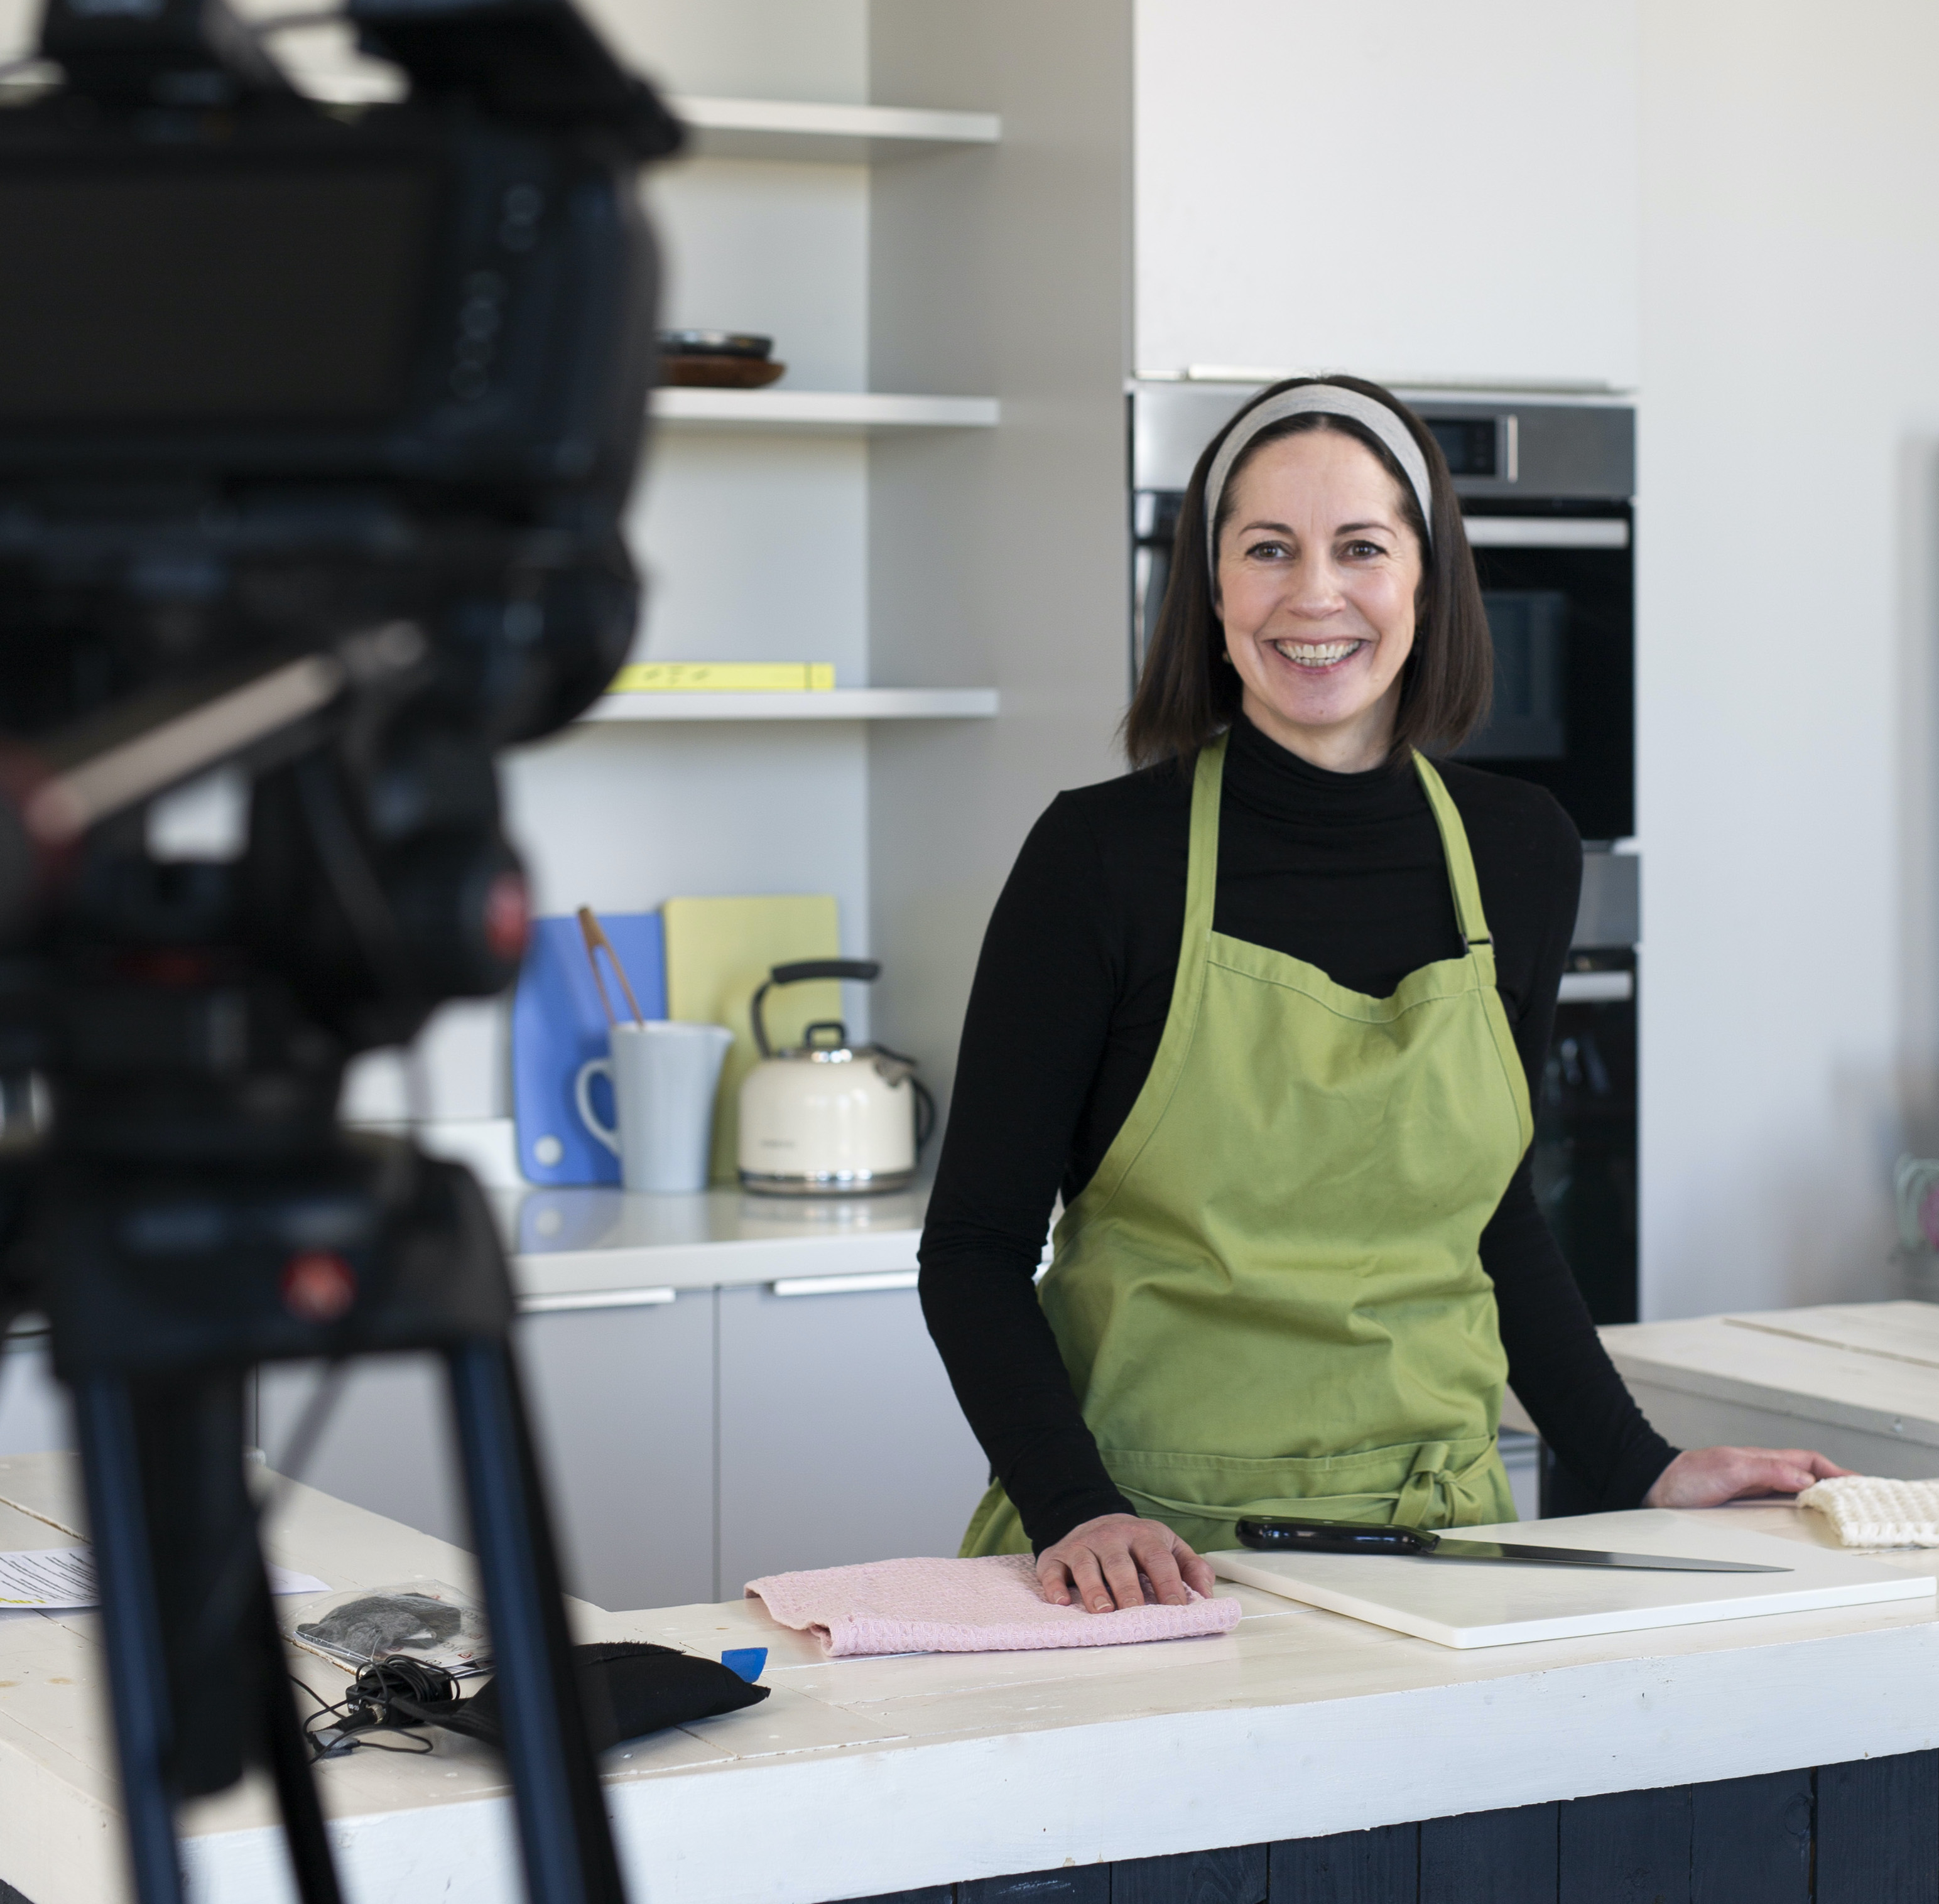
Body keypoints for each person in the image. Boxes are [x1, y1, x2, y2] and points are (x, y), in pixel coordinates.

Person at [917, 375, 1850, 1616]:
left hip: (1446, 1545)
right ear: (1209, 590)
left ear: (1423, 579)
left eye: (1360, 547)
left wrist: (1639, 1462)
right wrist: (1074, 1503)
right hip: (1150, 1557)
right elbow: (972, 1249)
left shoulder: (1519, 852)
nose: (1315, 594)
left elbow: (1490, 1213)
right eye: (1267, 550)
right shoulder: (1100, 858)